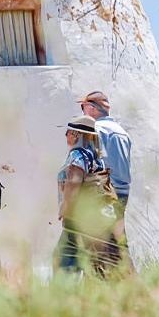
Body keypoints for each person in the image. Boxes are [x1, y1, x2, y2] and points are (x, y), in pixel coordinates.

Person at [54, 115, 122, 277]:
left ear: (77, 135)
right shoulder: (96, 157)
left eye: (68, 132)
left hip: (79, 219)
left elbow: (74, 182)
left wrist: (65, 208)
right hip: (101, 219)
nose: (66, 136)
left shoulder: (78, 155)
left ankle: (63, 298)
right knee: (100, 264)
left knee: (63, 262)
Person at [79, 91, 132, 253]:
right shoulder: (123, 132)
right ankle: (124, 276)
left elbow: (89, 162)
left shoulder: (96, 129)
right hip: (123, 192)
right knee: (117, 242)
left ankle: (104, 276)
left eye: (83, 107)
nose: (83, 112)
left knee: (97, 245)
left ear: (92, 108)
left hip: (104, 192)